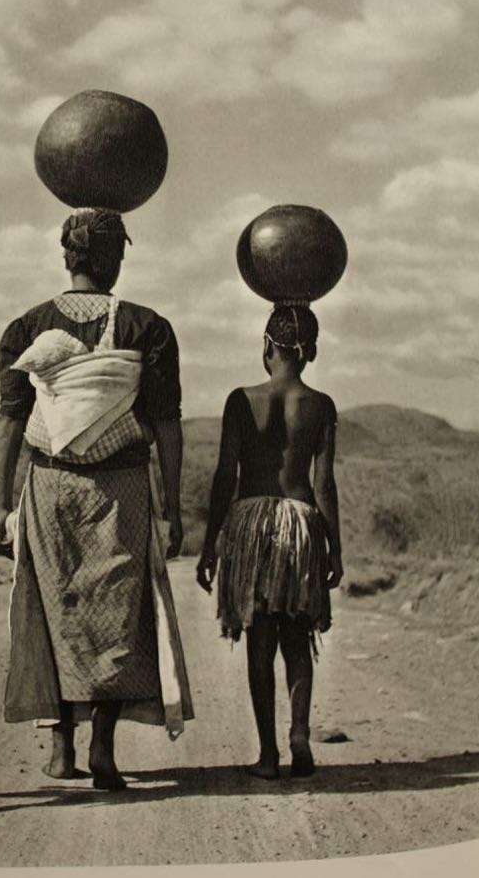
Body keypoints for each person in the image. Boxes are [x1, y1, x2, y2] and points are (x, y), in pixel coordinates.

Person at [0, 208, 193, 791]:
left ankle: (61, 749)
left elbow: (10, 424)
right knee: (115, 613)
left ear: (68, 258)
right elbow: (167, 425)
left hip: (46, 485)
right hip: (121, 486)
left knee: (56, 606)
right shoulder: (147, 328)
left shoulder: (24, 329)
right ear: (110, 260)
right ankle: (102, 750)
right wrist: (171, 505)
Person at [197, 304, 342, 780]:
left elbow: (225, 475)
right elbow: (323, 485)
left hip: (253, 524)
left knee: (260, 638)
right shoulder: (321, 405)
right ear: (311, 352)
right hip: (301, 524)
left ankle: (267, 754)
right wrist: (333, 547)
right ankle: (300, 736)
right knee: (297, 637)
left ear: (266, 345)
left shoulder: (241, 400)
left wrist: (209, 544)